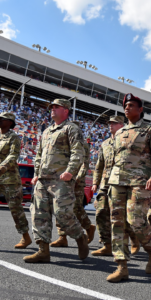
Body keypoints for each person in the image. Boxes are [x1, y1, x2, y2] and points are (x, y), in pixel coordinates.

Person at [107, 93, 151, 283]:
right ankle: (121, 266)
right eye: (126, 105)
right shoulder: (120, 133)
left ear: (140, 110)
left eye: (132, 105)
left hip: (140, 181)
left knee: (135, 220)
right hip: (117, 181)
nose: (127, 108)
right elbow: (114, 159)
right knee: (117, 223)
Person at [23, 99, 88, 263]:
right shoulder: (46, 131)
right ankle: (43, 251)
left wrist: (70, 171)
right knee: (38, 215)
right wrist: (36, 173)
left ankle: (80, 237)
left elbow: (78, 152)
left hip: (61, 180)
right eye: (51, 107)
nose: (52, 110)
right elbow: (39, 155)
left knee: (62, 214)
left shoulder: (71, 129)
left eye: (56, 107)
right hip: (43, 180)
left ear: (65, 110)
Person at [91, 115, 140, 257]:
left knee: (122, 216)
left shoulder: (128, 142)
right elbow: (99, 166)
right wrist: (95, 182)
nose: (111, 125)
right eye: (110, 123)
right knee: (100, 212)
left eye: (114, 123)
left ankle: (134, 240)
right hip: (106, 183)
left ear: (122, 125)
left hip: (122, 183)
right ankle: (106, 244)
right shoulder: (105, 144)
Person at [50, 121, 96, 248]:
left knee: (76, 208)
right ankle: (62, 237)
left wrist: (77, 178)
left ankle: (88, 226)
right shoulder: (62, 143)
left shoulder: (82, 144)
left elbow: (84, 164)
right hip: (61, 180)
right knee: (59, 207)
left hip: (76, 181)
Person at [0, 112, 32, 249]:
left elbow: (13, 154)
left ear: (10, 122)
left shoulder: (13, 137)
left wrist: (3, 167)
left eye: (2, 119)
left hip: (9, 178)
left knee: (15, 209)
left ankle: (25, 237)